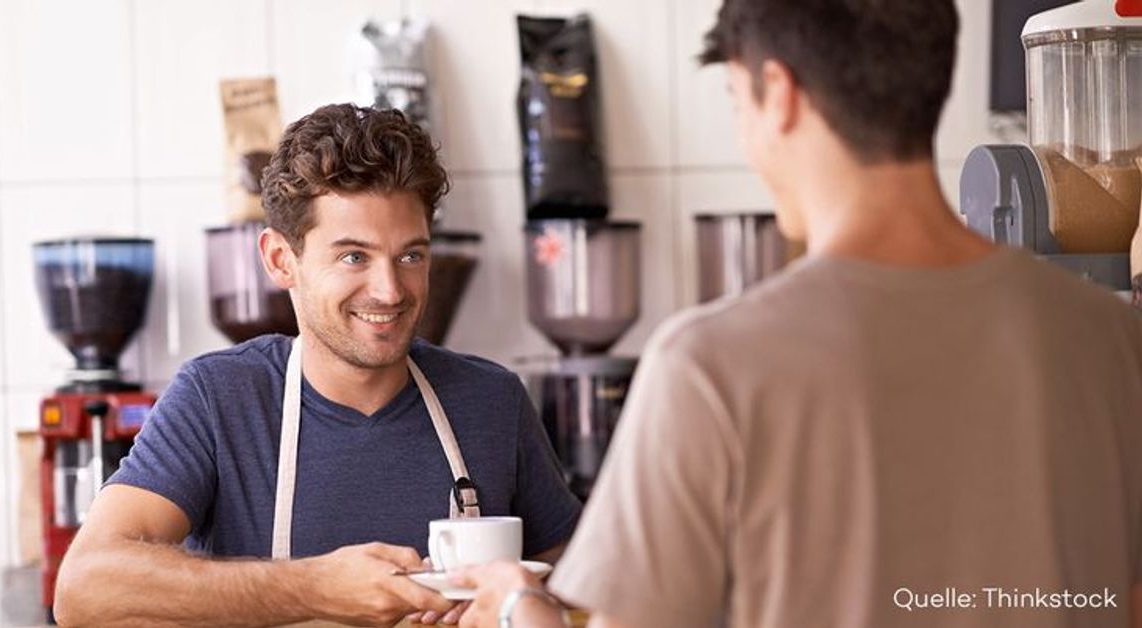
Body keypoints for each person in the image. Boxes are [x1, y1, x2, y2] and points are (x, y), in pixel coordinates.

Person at [454, 1, 1142, 627]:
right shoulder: (1112, 338)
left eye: (736, 101)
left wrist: (516, 603)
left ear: (779, 95)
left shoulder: (710, 365)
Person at [53, 104, 582, 628]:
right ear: (281, 260)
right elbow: (85, 589)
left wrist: (514, 608)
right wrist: (312, 589)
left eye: (411, 256)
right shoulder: (219, 399)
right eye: (354, 257)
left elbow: (586, 582)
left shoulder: (491, 400)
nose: (389, 290)